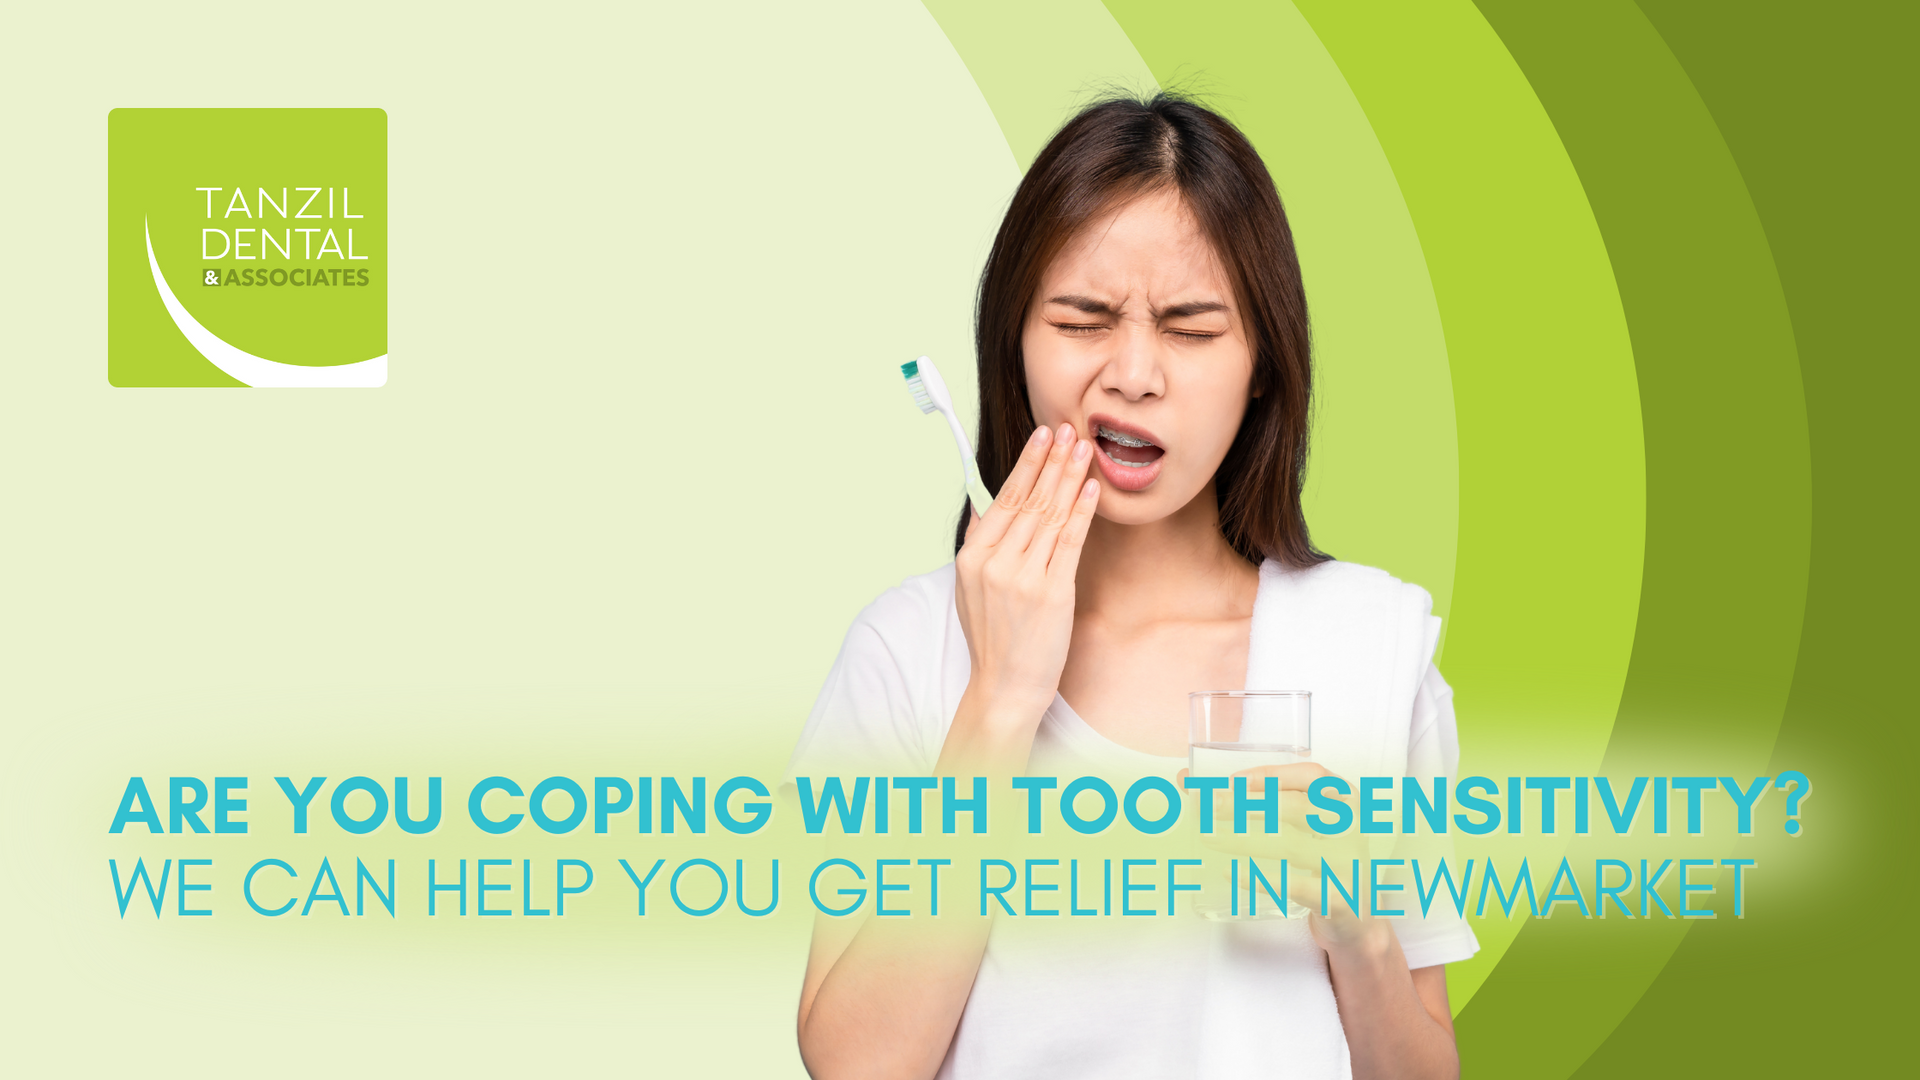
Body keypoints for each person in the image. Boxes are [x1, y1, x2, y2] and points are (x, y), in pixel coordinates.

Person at [786, 93, 1475, 1080]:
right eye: (1084, 319)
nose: (1136, 374)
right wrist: (1000, 702)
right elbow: (857, 1065)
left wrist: (1362, 932)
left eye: (1193, 330)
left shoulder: (1369, 644)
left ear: (1262, 371)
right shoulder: (909, 649)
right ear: (1014, 344)